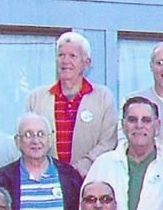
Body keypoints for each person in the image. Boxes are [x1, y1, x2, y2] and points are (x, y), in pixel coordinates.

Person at [24, 30, 119, 170]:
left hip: (90, 176)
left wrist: (78, 170)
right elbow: (27, 137)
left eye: (72, 56)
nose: (65, 61)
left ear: (86, 63)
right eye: (61, 55)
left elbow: (108, 142)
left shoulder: (103, 98)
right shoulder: (36, 98)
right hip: (47, 176)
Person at [84, 95, 163, 210]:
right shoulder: (103, 164)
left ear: (157, 126)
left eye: (146, 120)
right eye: (132, 120)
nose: (139, 126)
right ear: (123, 125)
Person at [0, 113, 83, 210]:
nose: (35, 141)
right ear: (17, 141)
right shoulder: (3, 178)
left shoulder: (69, 175)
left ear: (50, 139)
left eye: (41, 134)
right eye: (28, 135)